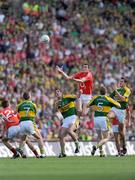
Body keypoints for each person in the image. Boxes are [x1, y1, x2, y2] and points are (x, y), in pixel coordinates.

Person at [87, 86, 121, 157]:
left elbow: (88, 105)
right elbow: (119, 105)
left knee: (99, 137)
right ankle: (96, 147)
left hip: (96, 118)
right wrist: (111, 105)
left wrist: (95, 107)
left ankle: (101, 152)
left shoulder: (95, 97)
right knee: (107, 137)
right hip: (103, 118)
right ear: (106, 92)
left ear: (100, 92)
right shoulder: (108, 99)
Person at [17, 92, 45, 158]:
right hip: (30, 122)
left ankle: (20, 149)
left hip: (22, 123)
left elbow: (18, 113)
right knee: (39, 138)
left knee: (23, 138)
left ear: (23, 97)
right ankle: (42, 153)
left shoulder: (19, 105)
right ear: (29, 97)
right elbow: (35, 114)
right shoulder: (33, 105)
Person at [108, 77, 131, 155]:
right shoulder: (117, 89)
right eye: (119, 81)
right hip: (115, 108)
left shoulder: (127, 90)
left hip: (121, 111)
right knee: (109, 116)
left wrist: (116, 91)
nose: (120, 83)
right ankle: (109, 129)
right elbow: (108, 97)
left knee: (121, 133)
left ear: (125, 83)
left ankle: (124, 145)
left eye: (122, 82)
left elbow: (123, 99)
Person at [55, 88, 80, 158]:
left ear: (61, 92)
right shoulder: (57, 103)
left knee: (70, 131)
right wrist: (58, 105)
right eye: (56, 93)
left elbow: (77, 97)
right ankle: (63, 152)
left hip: (73, 117)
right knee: (60, 135)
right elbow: (57, 110)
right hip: (66, 119)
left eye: (58, 92)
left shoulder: (67, 97)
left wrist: (80, 93)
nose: (57, 93)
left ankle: (77, 145)